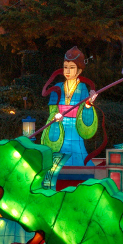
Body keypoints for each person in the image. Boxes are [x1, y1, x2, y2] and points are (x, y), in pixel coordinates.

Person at [40, 47, 99, 176]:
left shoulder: (82, 87)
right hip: (59, 128)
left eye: (71, 67)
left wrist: (89, 105)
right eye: (65, 67)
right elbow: (52, 109)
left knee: (77, 155)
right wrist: (55, 116)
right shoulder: (58, 87)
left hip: (75, 129)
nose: (67, 71)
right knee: (56, 159)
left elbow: (85, 108)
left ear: (79, 70)